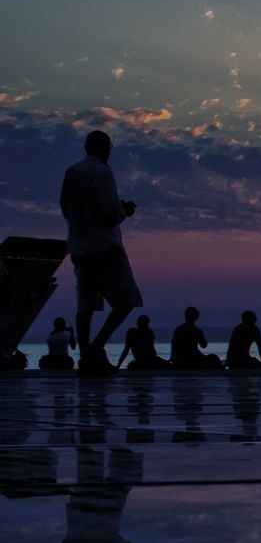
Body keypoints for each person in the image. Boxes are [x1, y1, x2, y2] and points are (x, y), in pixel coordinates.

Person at [60, 130, 144, 377]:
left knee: (85, 304)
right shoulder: (103, 173)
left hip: (79, 247)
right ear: (104, 148)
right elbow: (110, 214)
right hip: (105, 248)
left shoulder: (72, 171)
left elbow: (66, 208)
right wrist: (125, 211)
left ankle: (86, 356)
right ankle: (96, 347)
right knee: (127, 300)